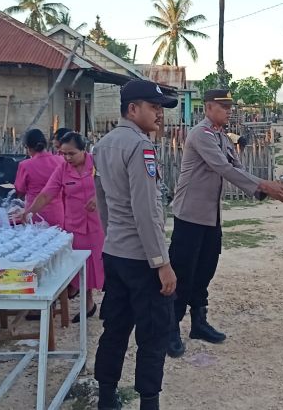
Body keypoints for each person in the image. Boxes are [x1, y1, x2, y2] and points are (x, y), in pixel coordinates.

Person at [166, 89, 283, 358]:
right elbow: (223, 168)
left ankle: (198, 323)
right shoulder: (201, 134)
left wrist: (263, 189)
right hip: (190, 214)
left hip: (211, 216)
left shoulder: (221, 135)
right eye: (223, 107)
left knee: (205, 269)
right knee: (183, 272)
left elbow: (237, 167)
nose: (229, 111)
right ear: (209, 107)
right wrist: (263, 186)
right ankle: (170, 329)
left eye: (230, 107)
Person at [92, 79, 178, 410]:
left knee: (114, 327)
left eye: (161, 108)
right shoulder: (140, 147)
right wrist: (162, 263)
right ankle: (149, 402)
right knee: (153, 334)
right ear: (132, 109)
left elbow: (100, 201)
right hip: (143, 259)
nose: (160, 114)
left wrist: (111, 235)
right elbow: (146, 212)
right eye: (154, 107)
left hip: (115, 252)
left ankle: (106, 398)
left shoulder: (103, 145)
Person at [18, 132, 104, 323]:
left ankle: (110, 302)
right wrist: (29, 212)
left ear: (84, 150)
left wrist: (98, 198)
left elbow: (115, 184)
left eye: (71, 153)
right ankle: (88, 303)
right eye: (63, 154)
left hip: (99, 224)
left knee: (102, 264)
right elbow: (47, 194)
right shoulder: (63, 169)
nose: (66, 158)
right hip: (75, 224)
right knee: (80, 266)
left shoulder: (98, 164)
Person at [15, 129, 65, 227]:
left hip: (34, 214)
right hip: (57, 213)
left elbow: (20, 190)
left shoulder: (25, 165)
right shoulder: (61, 161)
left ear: (27, 147)